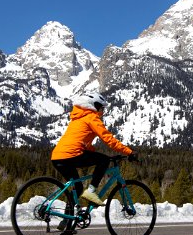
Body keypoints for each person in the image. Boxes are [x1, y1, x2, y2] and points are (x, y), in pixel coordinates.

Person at [51, 91, 135, 219]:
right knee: (104, 160)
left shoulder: (77, 118)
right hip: (72, 154)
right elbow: (108, 139)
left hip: (57, 157)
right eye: (101, 107)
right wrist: (129, 152)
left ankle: (67, 220)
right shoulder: (91, 117)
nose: (102, 111)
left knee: (77, 187)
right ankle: (91, 191)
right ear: (93, 105)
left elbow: (85, 143)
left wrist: (94, 153)